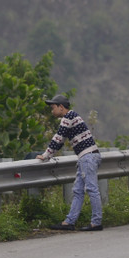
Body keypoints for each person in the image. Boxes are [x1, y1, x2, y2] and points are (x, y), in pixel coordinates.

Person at [37, 94, 104, 231]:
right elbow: (60, 140)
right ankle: (69, 222)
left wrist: (45, 156)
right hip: (86, 157)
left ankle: (96, 222)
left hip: (87, 156)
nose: (52, 111)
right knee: (78, 190)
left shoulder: (68, 118)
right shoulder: (73, 116)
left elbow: (58, 139)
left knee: (91, 189)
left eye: (53, 108)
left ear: (61, 107)